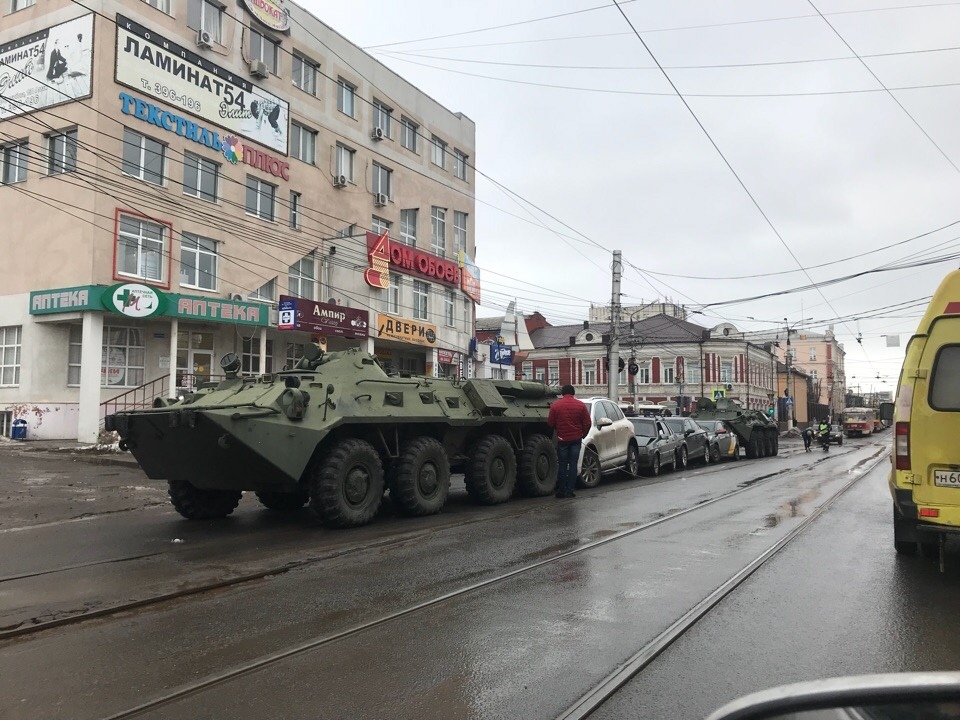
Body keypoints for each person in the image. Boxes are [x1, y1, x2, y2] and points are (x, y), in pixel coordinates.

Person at [547, 384, 592, 499]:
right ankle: (570, 490)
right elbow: (587, 423)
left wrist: (559, 430)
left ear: (562, 393)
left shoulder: (555, 406)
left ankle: (561, 490)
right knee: (573, 465)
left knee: (562, 464)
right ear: (573, 393)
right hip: (576, 439)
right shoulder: (581, 406)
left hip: (562, 439)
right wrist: (583, 435)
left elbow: (550, 423)